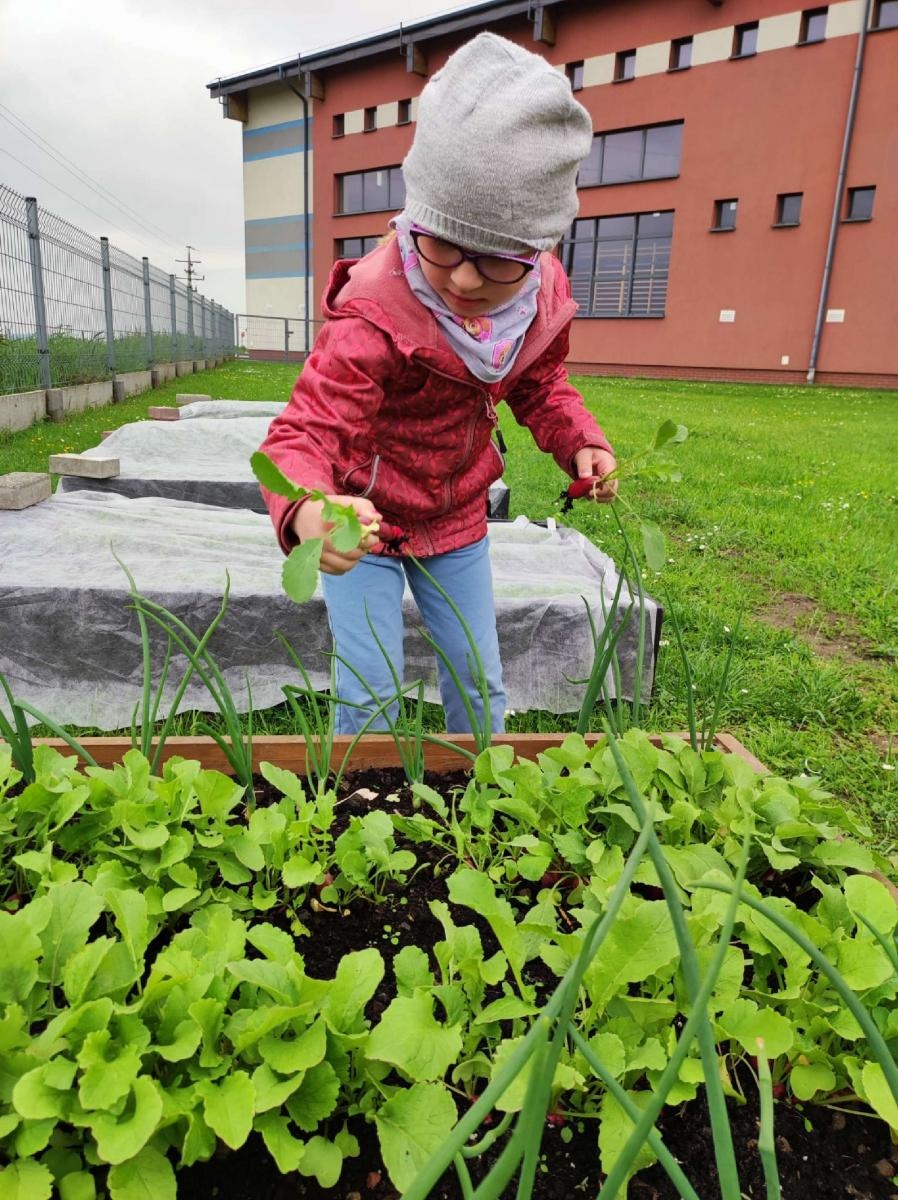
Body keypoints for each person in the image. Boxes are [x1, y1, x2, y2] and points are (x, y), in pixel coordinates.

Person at [259, 31, 617, 736]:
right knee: (371, 697)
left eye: (497, 260)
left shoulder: (538, 301)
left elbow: (540, 384)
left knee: (478, 685)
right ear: (415, 215)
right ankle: (360, 827)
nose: (462, 278)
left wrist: (579, 441)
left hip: (455, 520)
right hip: (362, 519)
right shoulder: (375, 315)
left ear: (541, 248)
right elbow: (302, 433)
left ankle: (481, 808)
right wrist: (307, 510)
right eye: (442, 244)